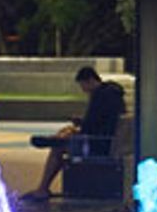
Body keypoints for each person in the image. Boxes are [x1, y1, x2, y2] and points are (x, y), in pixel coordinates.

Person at [23, 66, 126, 202]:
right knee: (66, 134)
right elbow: (100, 122)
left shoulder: (100, 96)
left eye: (82, 85)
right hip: (103, 138)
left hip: (97, 143)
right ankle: (58, 139)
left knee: (58, 149)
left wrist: (78, 128)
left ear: (89, 81)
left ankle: (42, 189)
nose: (83, 89)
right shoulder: (112, 93)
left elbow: (91, 126)